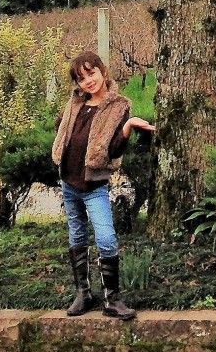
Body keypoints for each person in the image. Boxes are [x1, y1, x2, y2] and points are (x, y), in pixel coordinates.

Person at [51, 51, 155, 320]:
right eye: (81, 78)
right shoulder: (75, 102)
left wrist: (128, 126)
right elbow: (64, 130)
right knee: (77, 236)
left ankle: (112, 299)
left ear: (102, 71)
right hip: (69, 182)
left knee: (106, 239)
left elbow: (114, 150)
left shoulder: (118, 106)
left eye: (91, 73)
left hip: (94, 186)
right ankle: (83, 293)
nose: (88, 81)